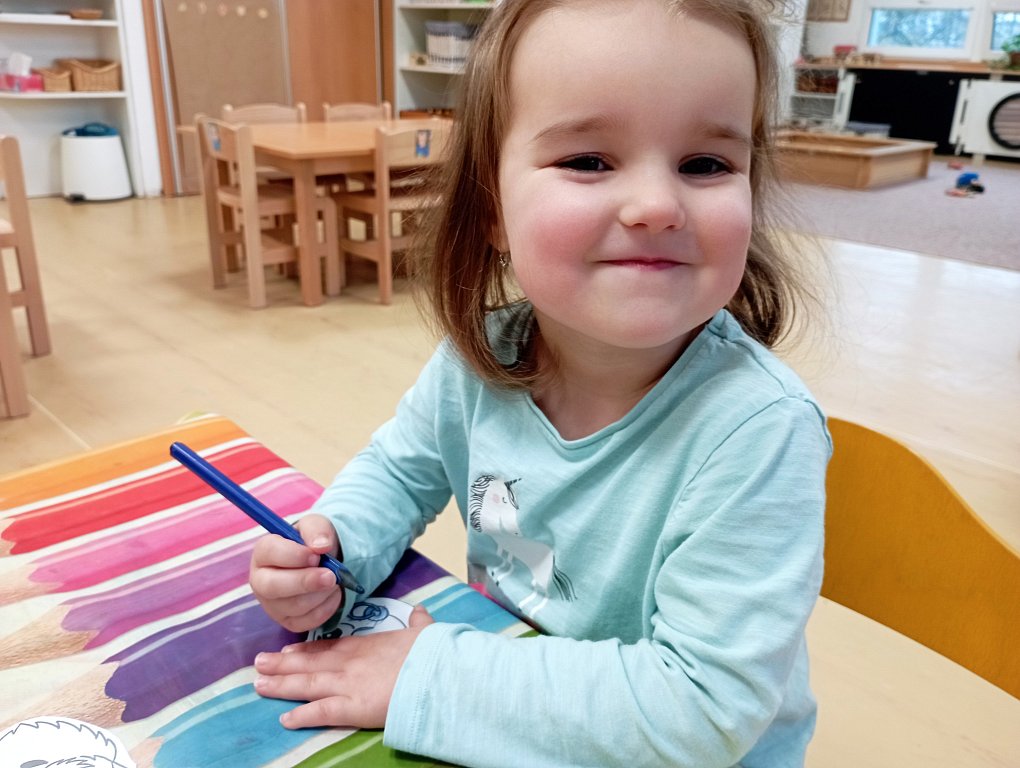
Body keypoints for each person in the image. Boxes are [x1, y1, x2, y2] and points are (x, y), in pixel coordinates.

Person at [248, 0, 831, 766]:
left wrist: (431, 674)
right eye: (589, 161)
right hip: (512, 709)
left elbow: (699, 711)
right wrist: (333, 548)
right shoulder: (478, 361)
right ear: (491, 207)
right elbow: (397, 472)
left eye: (705, 164)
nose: (658, 206)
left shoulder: (759, 429)